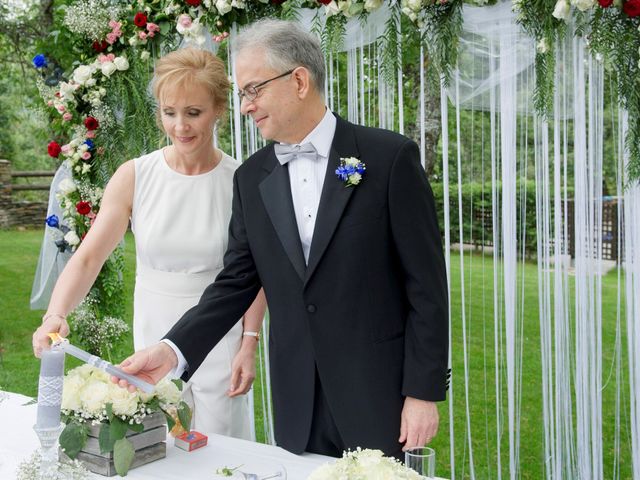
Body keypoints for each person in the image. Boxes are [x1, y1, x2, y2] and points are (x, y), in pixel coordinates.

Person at [40, 19, 449, 458]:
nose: (245, 107)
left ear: (298, 81)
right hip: (298, 402)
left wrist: (422, 392)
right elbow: (236, 282)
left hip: (378, 392)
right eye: (241, 94)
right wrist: (171, 351)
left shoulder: (389, 159)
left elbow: (426, 287)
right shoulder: (253, 179)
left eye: (253, 90)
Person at [32, 48, 266, 439]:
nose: (180, 126)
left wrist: (249, 342)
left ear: (219, 109)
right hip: (153, 330)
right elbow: (89, 258)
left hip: (219, 336)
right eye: (169, 111)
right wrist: (55, 314)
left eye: (194, 113)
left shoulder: (241, 181)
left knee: (221, 449)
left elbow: (254, 273)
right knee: (159, 442)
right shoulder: (135, 176)